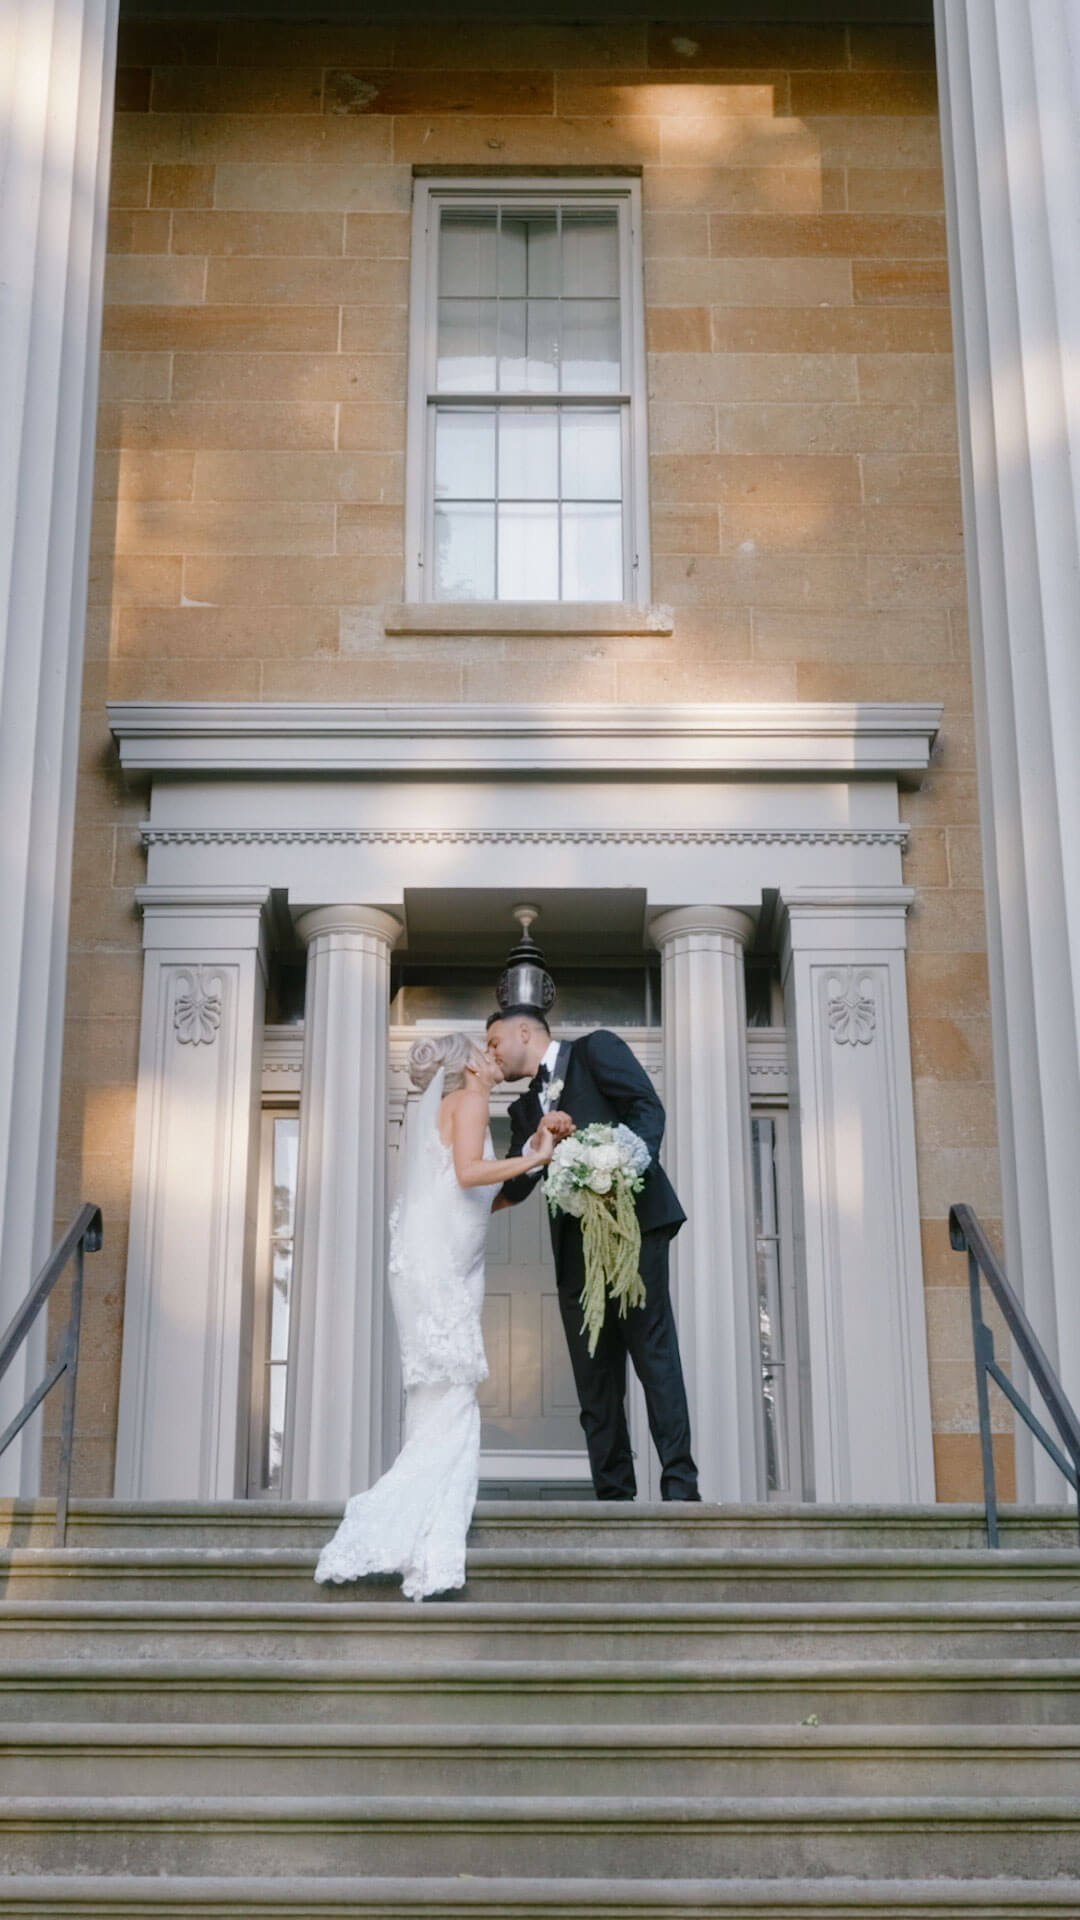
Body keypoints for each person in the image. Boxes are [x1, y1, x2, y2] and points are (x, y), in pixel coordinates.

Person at [314, 1030, 553, 1601]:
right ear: (470, 1063)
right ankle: (401, 1526)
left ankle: (424, 1536)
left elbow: (475, 1195)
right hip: (441, 1269)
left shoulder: (453, 1108)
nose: (498, 1058)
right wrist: (536, 1155)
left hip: (439, 1263)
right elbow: (471, 1173)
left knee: (437, 1395)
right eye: (489, 1050)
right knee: (453, 1395)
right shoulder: (469, 1103)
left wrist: (532, 1157)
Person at [486, 1007, 700, 1503]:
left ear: (524, 1031)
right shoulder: (522, 1112)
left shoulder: (596, 1048)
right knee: (594, 1376)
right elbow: (518, 1185)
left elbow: (648, 1110)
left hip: (632, 1230)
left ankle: (680, 1489)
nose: (492, 1054)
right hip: (574, 1251)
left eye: (494, 1041)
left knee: (654, 1356)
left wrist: (618, 1172)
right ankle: (614, 1497)